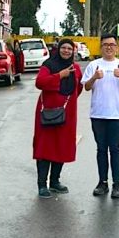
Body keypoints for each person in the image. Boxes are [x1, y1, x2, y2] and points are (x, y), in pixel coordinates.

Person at [82, 33, 119, 199]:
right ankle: (102, 182)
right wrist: (94, 77)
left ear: (116, 47)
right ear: (101, 47)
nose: (109, 47)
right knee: (101, 149)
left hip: (116, 115)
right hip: (98, 114)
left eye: (112, 44)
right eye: (105, 45)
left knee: (115, 149)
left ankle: (117, 184)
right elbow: (87, 87)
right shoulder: (94, 65)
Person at [33, 38, 83, 198]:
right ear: (58, 49)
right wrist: (59, 76)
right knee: (44, 148)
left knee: (61, 146)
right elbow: (40, 82)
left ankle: (55, 181)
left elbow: (78, 87)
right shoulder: (49, 65)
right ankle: (42, 185)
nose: (66, 51)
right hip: (47, 113)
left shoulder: (75, 68)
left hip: (67, 114)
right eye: (64, 48)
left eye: (70, 48)